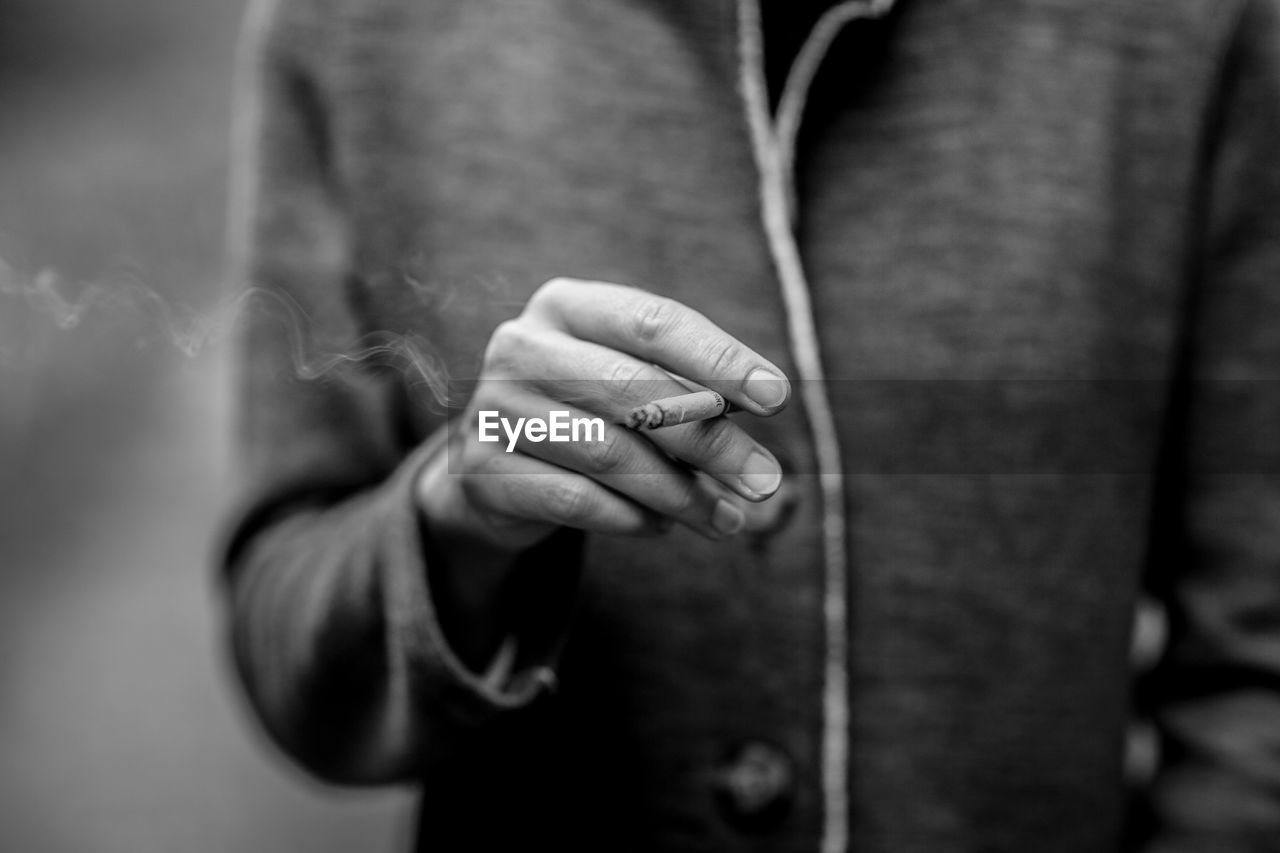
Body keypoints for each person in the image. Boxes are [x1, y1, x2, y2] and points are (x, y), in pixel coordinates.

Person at [220, 0, 1280, 849]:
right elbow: (284, 642)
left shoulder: (1190, 28)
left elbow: (1252, 653)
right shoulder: (353, 25)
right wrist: (457, 510)